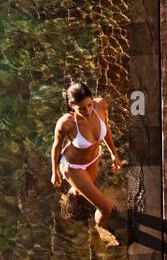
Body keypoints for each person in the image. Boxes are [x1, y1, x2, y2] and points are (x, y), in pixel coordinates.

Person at [50, 80, 121, 246]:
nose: (88, 111)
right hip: (73, 167)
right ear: (71, 105)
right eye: (82, 108)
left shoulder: (101, 105)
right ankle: (102, 229)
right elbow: (56, 147)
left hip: (93, 158)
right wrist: (55, 171)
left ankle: (72, 195)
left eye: (89, 105)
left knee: (82, 191)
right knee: (106, 208)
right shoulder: (66, 123)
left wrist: (113, 154)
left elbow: (107, 129)